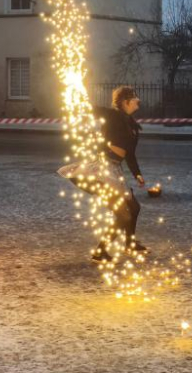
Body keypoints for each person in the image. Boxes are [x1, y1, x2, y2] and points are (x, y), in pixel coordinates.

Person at [59, 86, 147, 262]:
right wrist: (78, 98)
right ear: (125, 102)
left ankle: (129, 244)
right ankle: (100, 251)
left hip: (115, 170)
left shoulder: (131, 126)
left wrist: (137, 174)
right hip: (103, 171)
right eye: (134, 97)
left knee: (134, 207)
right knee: (123, 215)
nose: (138, 100)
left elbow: (130, 154)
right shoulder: (113, 115)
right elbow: (93, 109)